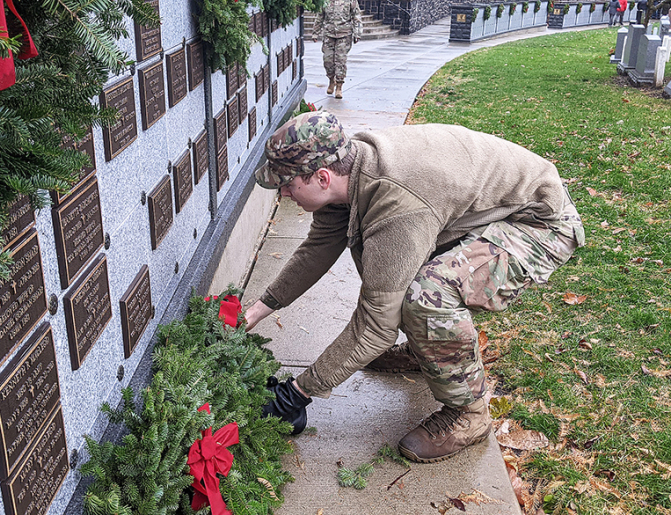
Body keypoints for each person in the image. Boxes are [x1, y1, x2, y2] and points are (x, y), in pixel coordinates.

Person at [248, 111, 585, 462]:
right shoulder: (350, 171)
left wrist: (297, 393)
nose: (284, 194)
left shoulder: (397, 202)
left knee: (427, 294)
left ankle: (468, 415)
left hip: (540, 224)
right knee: (396, 276)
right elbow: (318, 248)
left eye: (287, 183)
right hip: (489, 210)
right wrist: (257, 311)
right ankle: (424, 350)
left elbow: (374, 328)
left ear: (321, 177)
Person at [312, 0, 362, 100]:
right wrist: (315, 33)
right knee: (328, 60)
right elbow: (320, 16)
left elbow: (356, 16)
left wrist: (357, 33)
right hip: (328, 34)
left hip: (344, 34)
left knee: (340, 61)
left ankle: (339, 86)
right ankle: (331, 80)